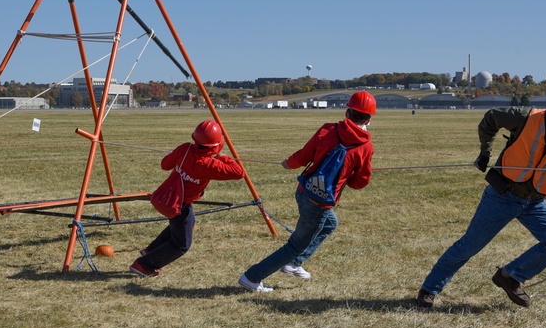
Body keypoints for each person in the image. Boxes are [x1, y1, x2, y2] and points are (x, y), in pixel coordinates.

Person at [417, 82, 546, 309]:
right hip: (502, 195)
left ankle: (510, 276)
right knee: (469, 246)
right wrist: (485, 151)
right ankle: (429, 289)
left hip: (535, 202)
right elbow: (490, 118)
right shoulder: (524, 118)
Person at [239, 91, 376, 292]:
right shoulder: (366, 147)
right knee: (294, 246)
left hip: (304, 191)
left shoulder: (328, 129)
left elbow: (303, 157)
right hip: (319, 203)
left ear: (347, 112)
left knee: (330, 224)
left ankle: (295, 263)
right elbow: (360, 182)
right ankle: (252, 278)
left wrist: (288, 163)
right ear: (369, 118)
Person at [130, 120, 245, 277]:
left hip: (166, 198)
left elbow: (165, 165)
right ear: (216, 145)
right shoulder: (209, 165)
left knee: (185, 225)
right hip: (179, 205)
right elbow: (238, 172)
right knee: (181, 244)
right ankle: (144, 265)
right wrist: (222, 156)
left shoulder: (185, 149)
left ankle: (151, 251)